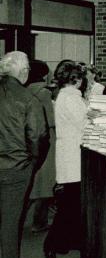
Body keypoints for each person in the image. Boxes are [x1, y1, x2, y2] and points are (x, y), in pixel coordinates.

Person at [0, 51, 49, 258]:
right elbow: (38, 136)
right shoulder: (29, 100)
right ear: (23, 72)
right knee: (10, 217)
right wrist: (33, 162)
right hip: (16, 167)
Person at [43, 62, 88, 258]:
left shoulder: (65, 96)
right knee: (69, 203)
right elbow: (84, 123)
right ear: (76, 79)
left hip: (69, 154)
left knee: (72, 202)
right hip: (73, 155)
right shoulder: (71, 98)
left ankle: (66, 242)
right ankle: (51, 243)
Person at [25, 59, 56, 234]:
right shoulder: (44, 93)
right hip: (47, 140)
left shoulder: (26, 90)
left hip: (31, 140)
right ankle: (40, 222)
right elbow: (50, 120)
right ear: (44, 74)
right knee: (46, 183)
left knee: (34, 182)